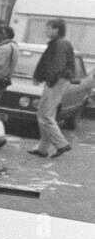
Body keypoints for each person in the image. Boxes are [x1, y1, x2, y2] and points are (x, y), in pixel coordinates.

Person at [30, 18, 76, 158]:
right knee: (45, 114)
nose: (46, 31)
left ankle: (61, 144)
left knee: (45, 114)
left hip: (56, 81)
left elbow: (57, 66)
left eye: (49, 28)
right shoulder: (59, 43)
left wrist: (49, 80)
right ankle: (43, 148)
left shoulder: (60, 44)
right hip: (58, 80)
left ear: (56, 29)